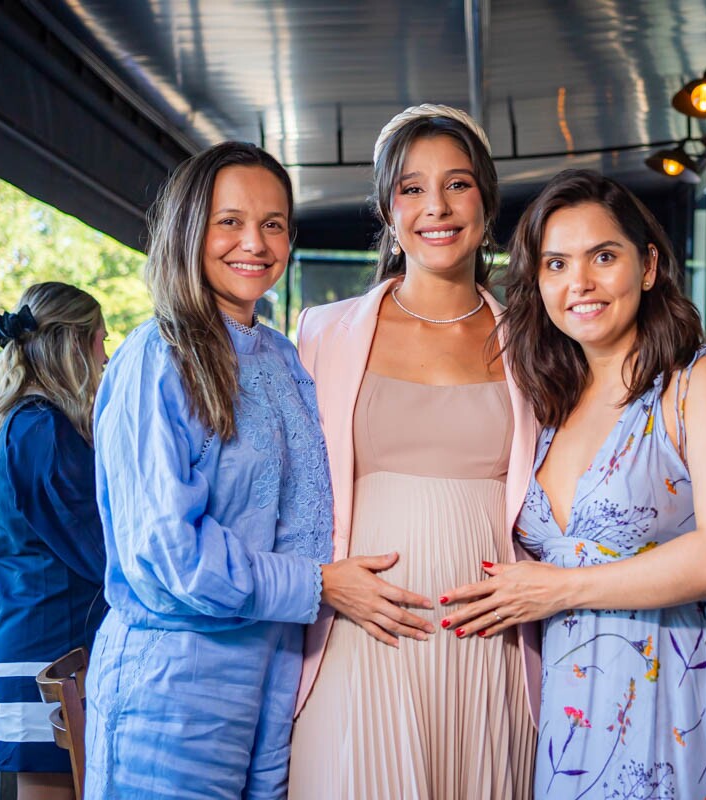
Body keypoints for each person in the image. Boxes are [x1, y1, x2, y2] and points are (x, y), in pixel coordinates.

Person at [440, 169, 706, 798]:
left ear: (647, 267)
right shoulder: (545, 402)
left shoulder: (701, 382)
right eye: (556, 264)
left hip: (680, 690)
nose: (580, 284)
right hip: (572, 704)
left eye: (603, 256)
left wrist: (561, 591)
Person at [288, 104, 539, 799]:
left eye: (458, 184)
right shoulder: (321, 332)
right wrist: (322, 579)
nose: (437, 206)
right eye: (411, 187)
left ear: (486, 203)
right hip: (359, 635)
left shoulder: (534, 338)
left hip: (490, 646)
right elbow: (279, 492)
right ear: (386, 207)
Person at [83, 142, 335, 798]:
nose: (254, 241)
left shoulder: (282, 359)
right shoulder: (155, 356)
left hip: (271, 687)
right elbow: (171, 555)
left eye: (273, 223)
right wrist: (321, 585)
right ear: (190, 228)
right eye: (230, 221)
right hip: (169, 693)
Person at [0, 283, 109, 800]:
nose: (106, 357)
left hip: (42, 645)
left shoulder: (31, 423)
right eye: (100, 341)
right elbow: (97, 549)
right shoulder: (42, 429)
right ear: (74, 345)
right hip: (49, 655)